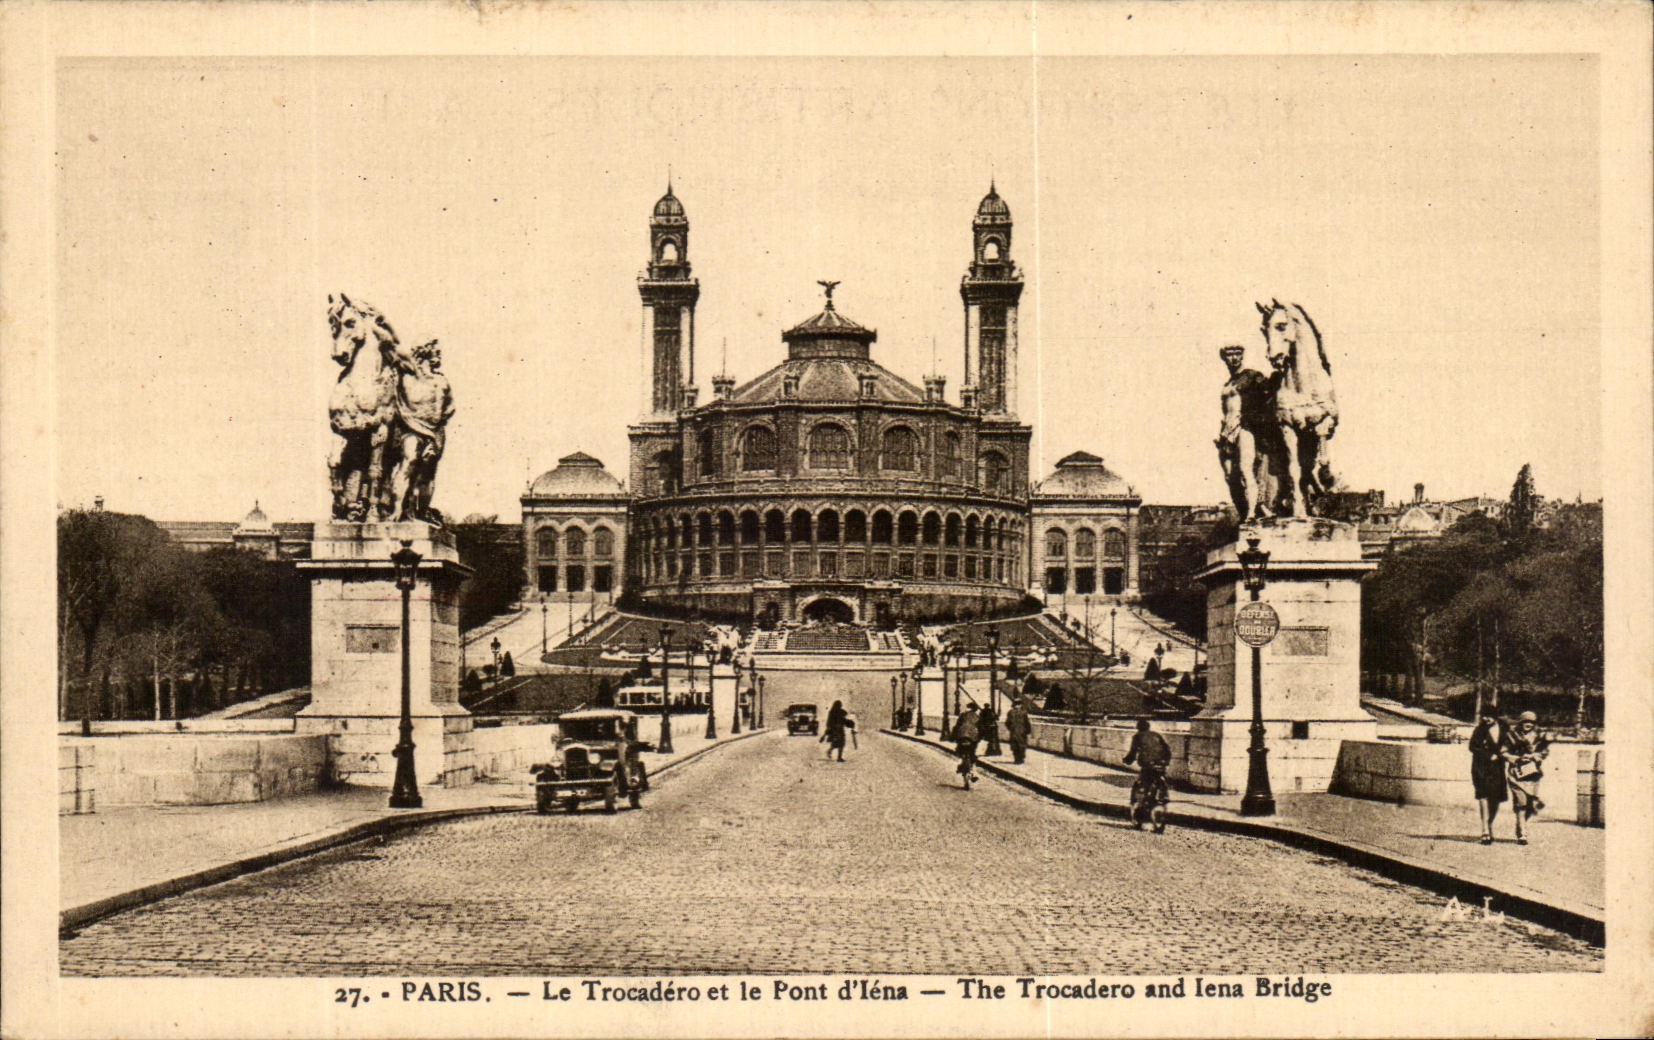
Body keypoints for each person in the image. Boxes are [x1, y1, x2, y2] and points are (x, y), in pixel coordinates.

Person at [1502, 710, 1550, 845]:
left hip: (1532, 774)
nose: (1528, 724)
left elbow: (1544, 751)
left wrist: (1537, 756)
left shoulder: (1539, 736)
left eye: (1531, 722)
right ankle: (1522, 833)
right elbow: (1503, 751)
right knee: (1521, 803)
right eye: (1525, 722)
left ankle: (1520, 824)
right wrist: (1516, 758)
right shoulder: (1511, 736)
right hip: (1516, 774)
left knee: (1530, 805)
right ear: (1521, 722)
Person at [1123, 718, 1172, 828]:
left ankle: (1140, 812)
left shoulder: (1137, 737)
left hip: (1147, 765)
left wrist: (1127, 760)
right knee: (1160, 778)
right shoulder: (1157, 735)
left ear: (1138, 728)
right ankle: (1163, 796)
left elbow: (1132, 753)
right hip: (1162, 763)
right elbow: (1167, 749)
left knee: (1143, 786)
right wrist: (1166, 761)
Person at [1468, 710, 1507, 845]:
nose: (1486, 718)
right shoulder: (1479, 730)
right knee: (1483, 796)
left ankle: (1489, 824)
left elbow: (1510, 746)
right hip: (1481, 768)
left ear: (1496, 716)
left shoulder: (1504, 728)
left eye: (1489, 716)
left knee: (1495, 800)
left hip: (1498, 769)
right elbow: (1472, 747)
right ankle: (1485, 830)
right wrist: (1488, 755)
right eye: (1484, 716)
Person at [953, 703, 981, 788]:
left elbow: (957, 726)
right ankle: (974, 772)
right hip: (972, 737)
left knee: (960, 751)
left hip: (961, 736)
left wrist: (953, 736)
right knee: (973, 753)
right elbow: (981, 727)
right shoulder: (977, 717)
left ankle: (960, 764)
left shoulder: (963, 715)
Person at [1004, 696, 1032, 765]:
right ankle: (1020, 759)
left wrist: (1011, 728)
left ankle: (1017, 759)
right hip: (1022, 732)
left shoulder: (1010, 712)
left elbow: (1007, 723)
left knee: (1015, 745)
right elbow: (1027, 722)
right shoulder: (1024, 712)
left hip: (1014, 732)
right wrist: (1028, 730)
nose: (1018, 706)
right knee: (1022, 745)